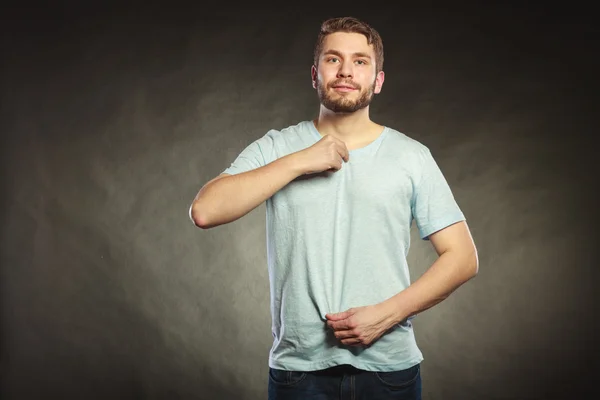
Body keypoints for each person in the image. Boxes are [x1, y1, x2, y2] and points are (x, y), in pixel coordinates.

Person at [189, 16, 478, 400]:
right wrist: (298, 161)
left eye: (360, 61)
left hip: (389, 370)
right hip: (298, 373)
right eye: (333, 59)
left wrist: (386, 315)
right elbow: (205, 211)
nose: (345, 71)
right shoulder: (278, 147)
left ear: (378, 80)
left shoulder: (412, 157)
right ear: (315, 74)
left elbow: (462, 258)